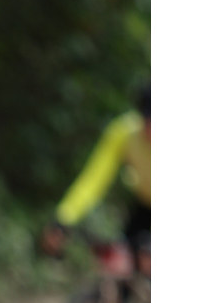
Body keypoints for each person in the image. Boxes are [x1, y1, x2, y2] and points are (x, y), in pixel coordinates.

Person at [42, 83, 150, 274]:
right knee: (122, 266)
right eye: (148, 121)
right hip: (144, 208)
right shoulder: (125, 133)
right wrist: (64, 219)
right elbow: (93, 180)